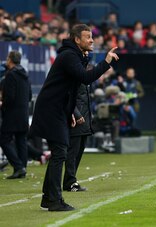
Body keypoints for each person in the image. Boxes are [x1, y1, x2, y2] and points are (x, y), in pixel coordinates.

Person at [30, 24, 119, 212]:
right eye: (88, 37)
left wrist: (69, 111)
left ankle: (49, 198)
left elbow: (69, 87)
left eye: (91, 37)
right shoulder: (69, 56)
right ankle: (54, 200)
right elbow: (85, 79)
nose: (92, 40)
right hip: (51, 110)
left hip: (58, 109)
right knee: (60, 153)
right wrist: (106, 62)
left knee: (59, 152)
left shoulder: (74, 55)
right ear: (77, 40)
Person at [0, 50, 32, 179]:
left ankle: (18, 167)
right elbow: (29, 96)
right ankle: (22, 168)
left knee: (4, 140)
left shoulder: (11, 75)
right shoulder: (25, 75)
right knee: (21, 141)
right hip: (23, 113)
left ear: (10, 60)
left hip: (12, 114)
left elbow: (10, 97)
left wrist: (2, 103)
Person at [63, 63, 93, 192]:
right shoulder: (74, 79)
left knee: (79, 152)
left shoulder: (84, 82)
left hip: (85, 121)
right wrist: (76, 113)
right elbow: (68, 97)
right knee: (72, 152)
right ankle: (69, 181)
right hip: (77, 120)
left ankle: (70, 180)